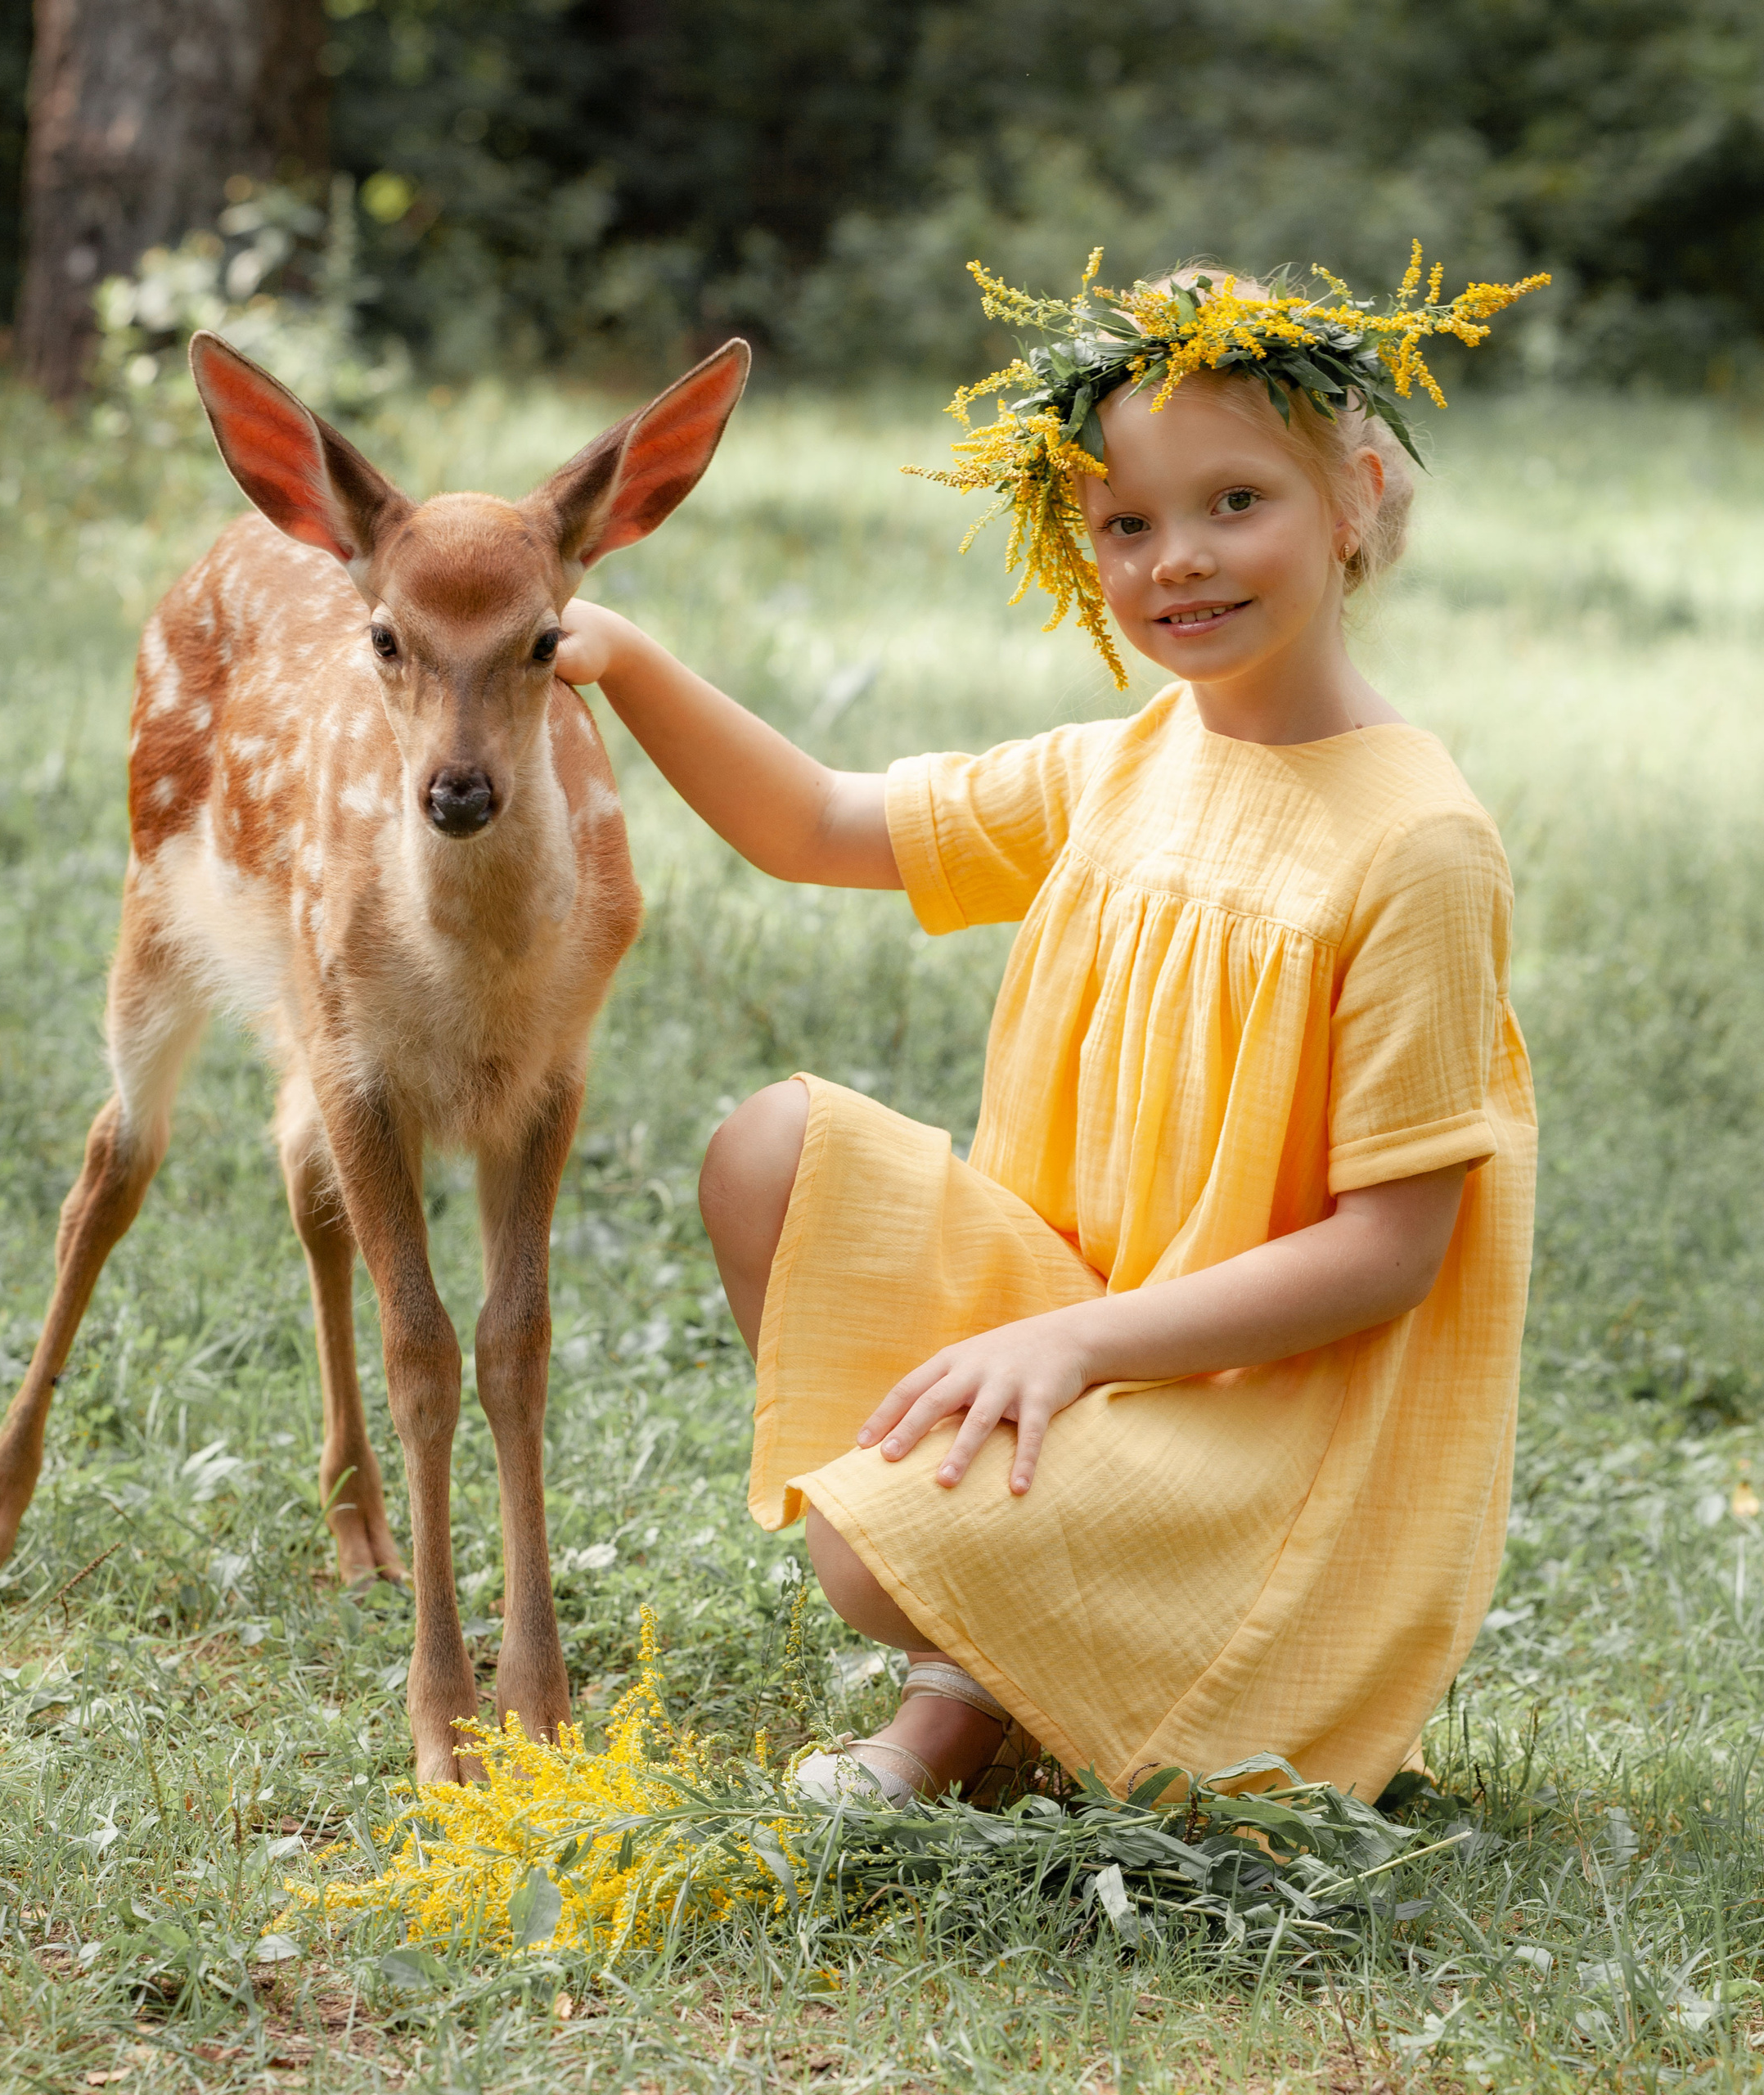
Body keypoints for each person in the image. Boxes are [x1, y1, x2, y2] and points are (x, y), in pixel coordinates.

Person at [551, 255, 1543, 1807]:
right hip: (1089, 1339)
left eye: (1236, 503)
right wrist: (623, 658)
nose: (1179, 563)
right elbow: (816, 821)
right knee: (773, 1151)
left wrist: (1069, 1342)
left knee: (875, 1543)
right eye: (1126, 524)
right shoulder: (1127, 766)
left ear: (1354, 498)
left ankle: (1007, 1687)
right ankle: (988, 1684)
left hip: (1262, 1443)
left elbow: (1387, 1252)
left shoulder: (1414, 842)